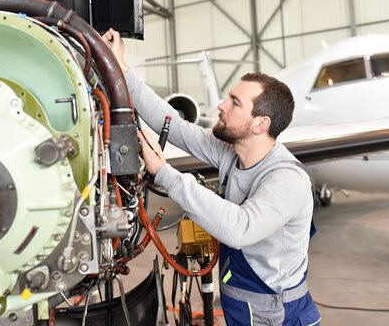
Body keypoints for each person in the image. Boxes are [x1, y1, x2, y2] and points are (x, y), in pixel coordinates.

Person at [102, 28, 321, 326]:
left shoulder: (286, 179)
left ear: (260, 124)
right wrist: (122, 68)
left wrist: (166, 174)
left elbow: (240, 229)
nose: (221, 105)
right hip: (240, 301)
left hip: (275, 313)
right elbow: (174, 125)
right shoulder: (231, 151)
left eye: (234, 102)